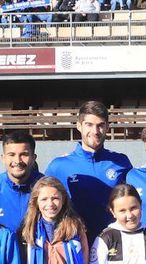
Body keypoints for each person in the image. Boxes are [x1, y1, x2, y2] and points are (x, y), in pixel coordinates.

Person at [46, 100, 132, 238]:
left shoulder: (121, 163)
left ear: (108, 127)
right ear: (79, 126)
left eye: (100, 125)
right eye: (89, 125)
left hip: (112, 244)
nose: (95, 131)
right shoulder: (58, 166)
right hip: (74, 243)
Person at [0, 131, 42, 232]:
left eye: (24, 154)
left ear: (33, 158)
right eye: (12, 155)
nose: (17, 161)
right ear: (3, 158)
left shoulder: (46, 188)